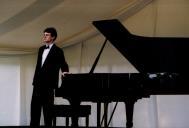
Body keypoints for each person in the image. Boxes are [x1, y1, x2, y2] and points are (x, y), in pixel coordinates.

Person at [30, 27, 69, 126]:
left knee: (47, 111)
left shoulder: (58, 51)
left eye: (46, 35)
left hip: (49, 85)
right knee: (35, 109)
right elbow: (39, 66)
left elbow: (63, 64)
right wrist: (35, 80)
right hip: (38, 84)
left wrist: (65, 72)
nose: (44, 36)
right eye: (44, 34)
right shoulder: (41, 49)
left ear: (53, 37)